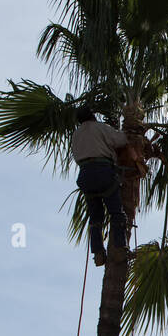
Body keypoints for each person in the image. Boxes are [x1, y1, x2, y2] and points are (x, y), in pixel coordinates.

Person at [71, 105, 131, 265]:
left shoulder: (76, 135)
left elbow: (76, 156)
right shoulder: (100, 128)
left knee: (95, 218)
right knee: (116, 213)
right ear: (92, 116)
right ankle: (119, 249)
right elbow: (121, 140)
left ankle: (98, 252)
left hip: (85, 175)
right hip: (102, 171)